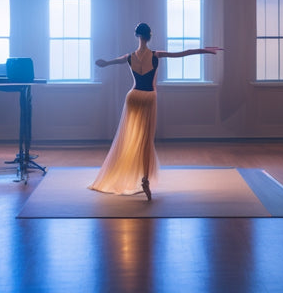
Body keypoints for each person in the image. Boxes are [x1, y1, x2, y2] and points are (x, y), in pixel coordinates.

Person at [88, 22, 221, 200]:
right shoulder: (156, 54)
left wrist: (104, 63)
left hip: (133, 97)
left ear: (137, 36)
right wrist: (204, 50)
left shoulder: (129, 57)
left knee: (130, 137)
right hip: (148, 97)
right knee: (145, 140)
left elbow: (108, 63)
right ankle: (144, 179)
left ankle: (134, 176)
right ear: (149, 36)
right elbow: (182, 54)